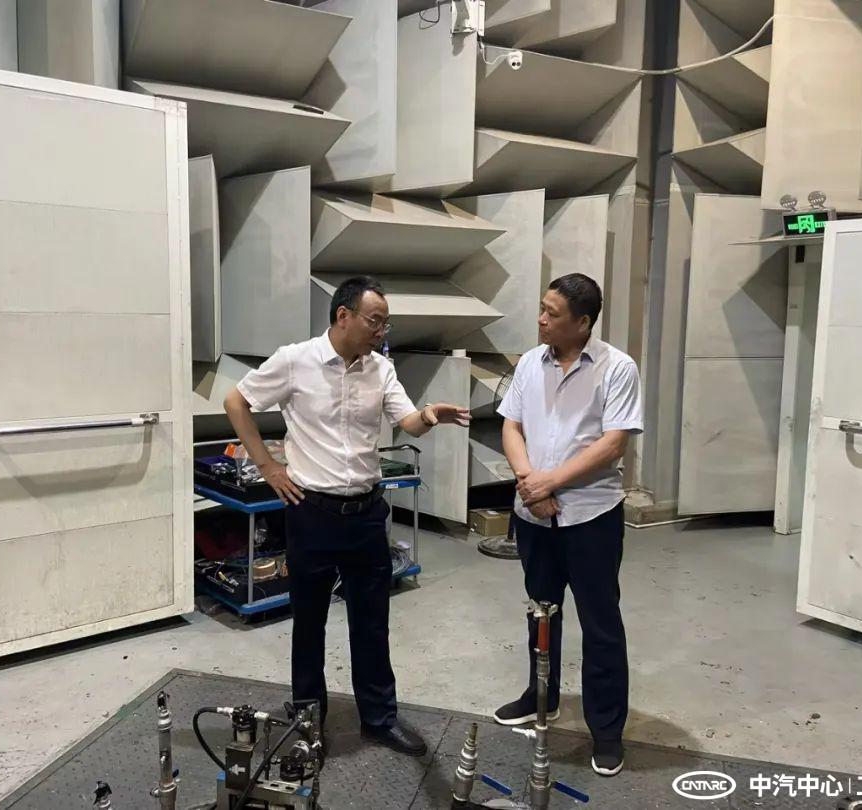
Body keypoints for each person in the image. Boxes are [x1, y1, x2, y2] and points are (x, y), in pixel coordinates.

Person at [224, 275, 470, 758]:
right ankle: (307, 720)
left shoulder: (381, 369)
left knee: (372, 621)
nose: (382, 331)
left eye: (385, 323)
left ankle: (379, 718)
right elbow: (236, 401)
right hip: (311, 512)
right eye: (375, 321)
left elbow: (406, 421)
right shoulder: (295, 360)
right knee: (309, 622)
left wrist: (429, 416)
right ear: (343, 315)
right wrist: (268, 467)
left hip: (366, 513)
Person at [493, 273, 643, 778]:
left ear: (582, 323)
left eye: (552, 313)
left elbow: (613, 443)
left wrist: (550, 482)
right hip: (534, 514)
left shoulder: (617, 368)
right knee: (541, 612)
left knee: (601, 623)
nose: (540, 319)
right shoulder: (529, 364)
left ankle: (607, 729)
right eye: (541, 308)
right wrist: (530, 484)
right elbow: (511, 425)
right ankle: (542, 696)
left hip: (591, 517)